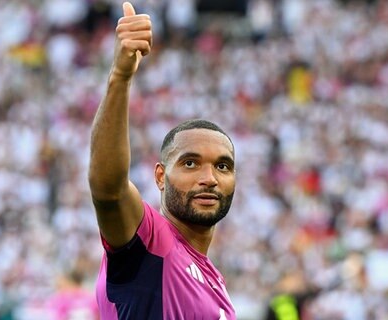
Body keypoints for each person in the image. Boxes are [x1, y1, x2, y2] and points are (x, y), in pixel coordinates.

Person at [88, 2, 237, 319]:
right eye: (190, 163)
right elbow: (108, 189)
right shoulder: (152, 242)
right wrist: (120, 76)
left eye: (222, 166)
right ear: (160, 176)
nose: (209, 177)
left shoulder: (215, 282)